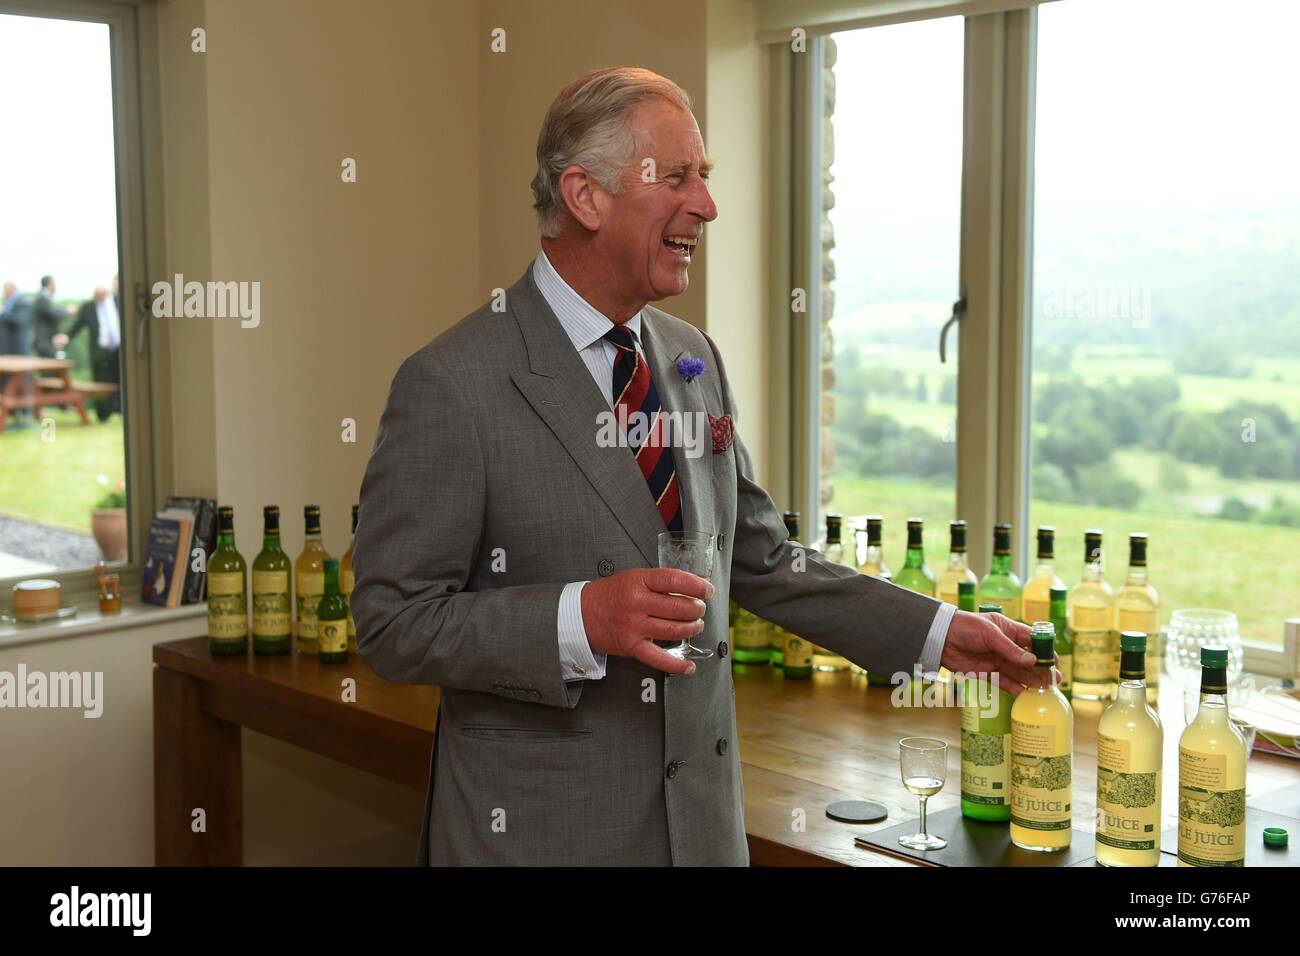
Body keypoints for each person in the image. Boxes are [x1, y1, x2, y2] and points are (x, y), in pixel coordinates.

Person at [352, 67, 1039, 867]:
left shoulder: (690, 357)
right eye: (677, 178)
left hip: (702, 836)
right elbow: (393, 624)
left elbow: (759, 557)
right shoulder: (452, 384)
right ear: (586, 197)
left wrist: (937, 634)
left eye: (704, 179)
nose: (706, 206)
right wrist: (580, 618)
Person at [57, 280, 122, 421]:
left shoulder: (118, 302)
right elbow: (78, 324)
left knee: (120, 379)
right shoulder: (89, 307)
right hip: (100, 350)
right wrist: (67, 336)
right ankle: (104, 415)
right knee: (100, 382)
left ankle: (121, 410)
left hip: (118, 349)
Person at [31, 275, 63, 359]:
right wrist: (67, 312)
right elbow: (52, 313)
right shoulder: (42, 298)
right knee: (49, 367)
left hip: (45, 340)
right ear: (50, 284)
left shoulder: (44, 297)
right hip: (45, 341)